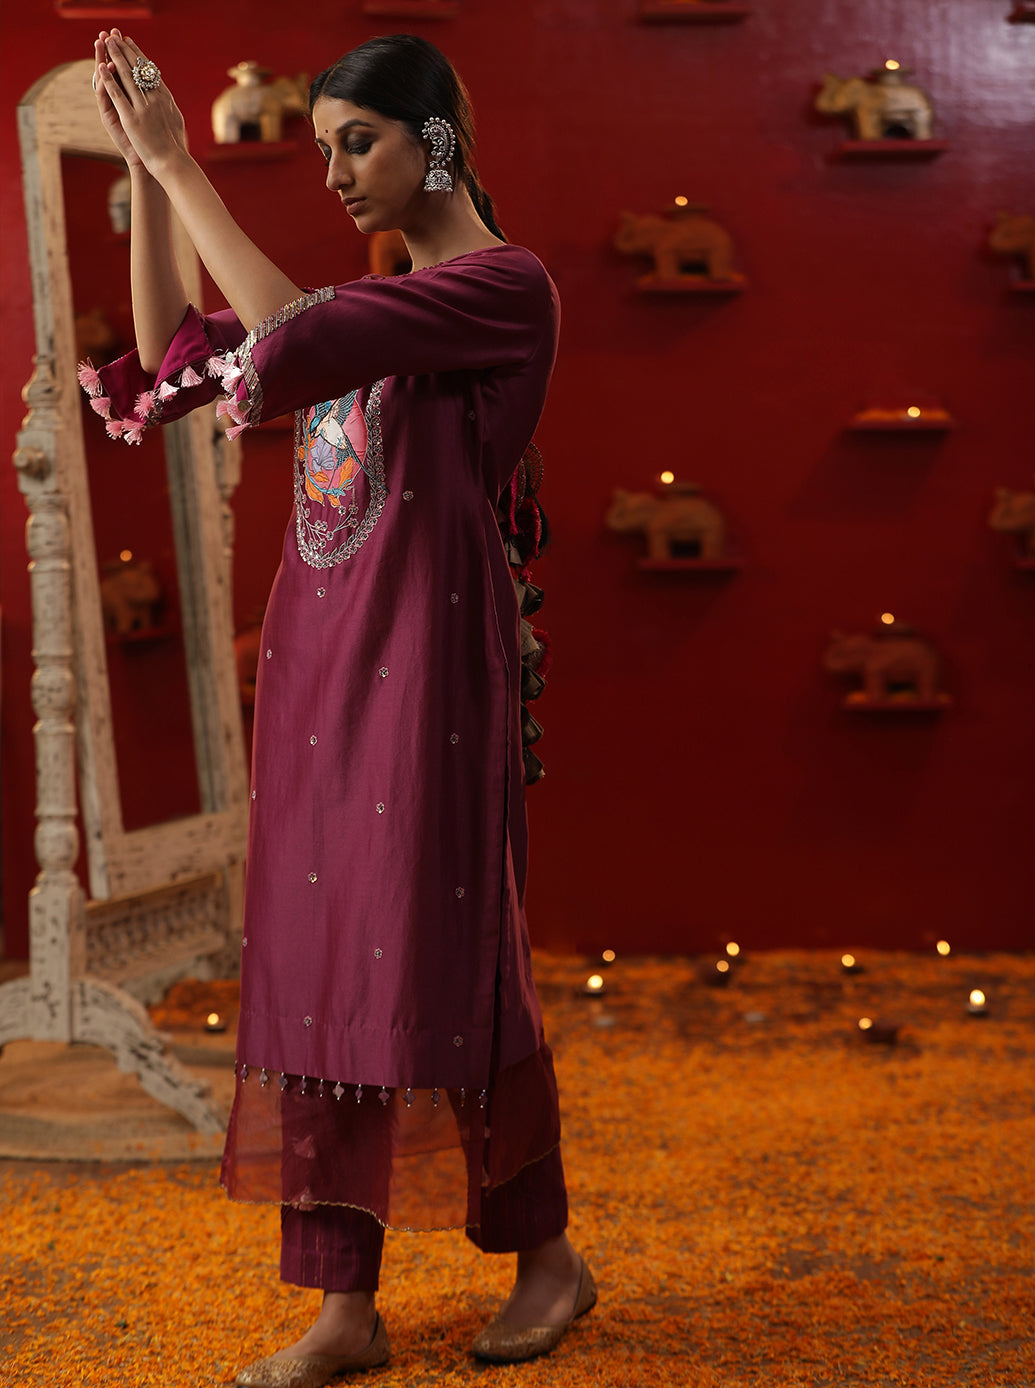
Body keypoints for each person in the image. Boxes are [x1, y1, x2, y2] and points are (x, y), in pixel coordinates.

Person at [83, 26, 595, 1388]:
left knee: (449, 962)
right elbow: (174, 360)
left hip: (430, 676)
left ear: (436, 141)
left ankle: (546, 1258)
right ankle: (341, 1308)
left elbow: (293, 338)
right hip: (318, 679)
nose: (334, 175)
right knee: (316, 972)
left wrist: (186, 167)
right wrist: (146, 176)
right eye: (321, 149)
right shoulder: (363, 313)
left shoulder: (497, 290)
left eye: (356, 143)